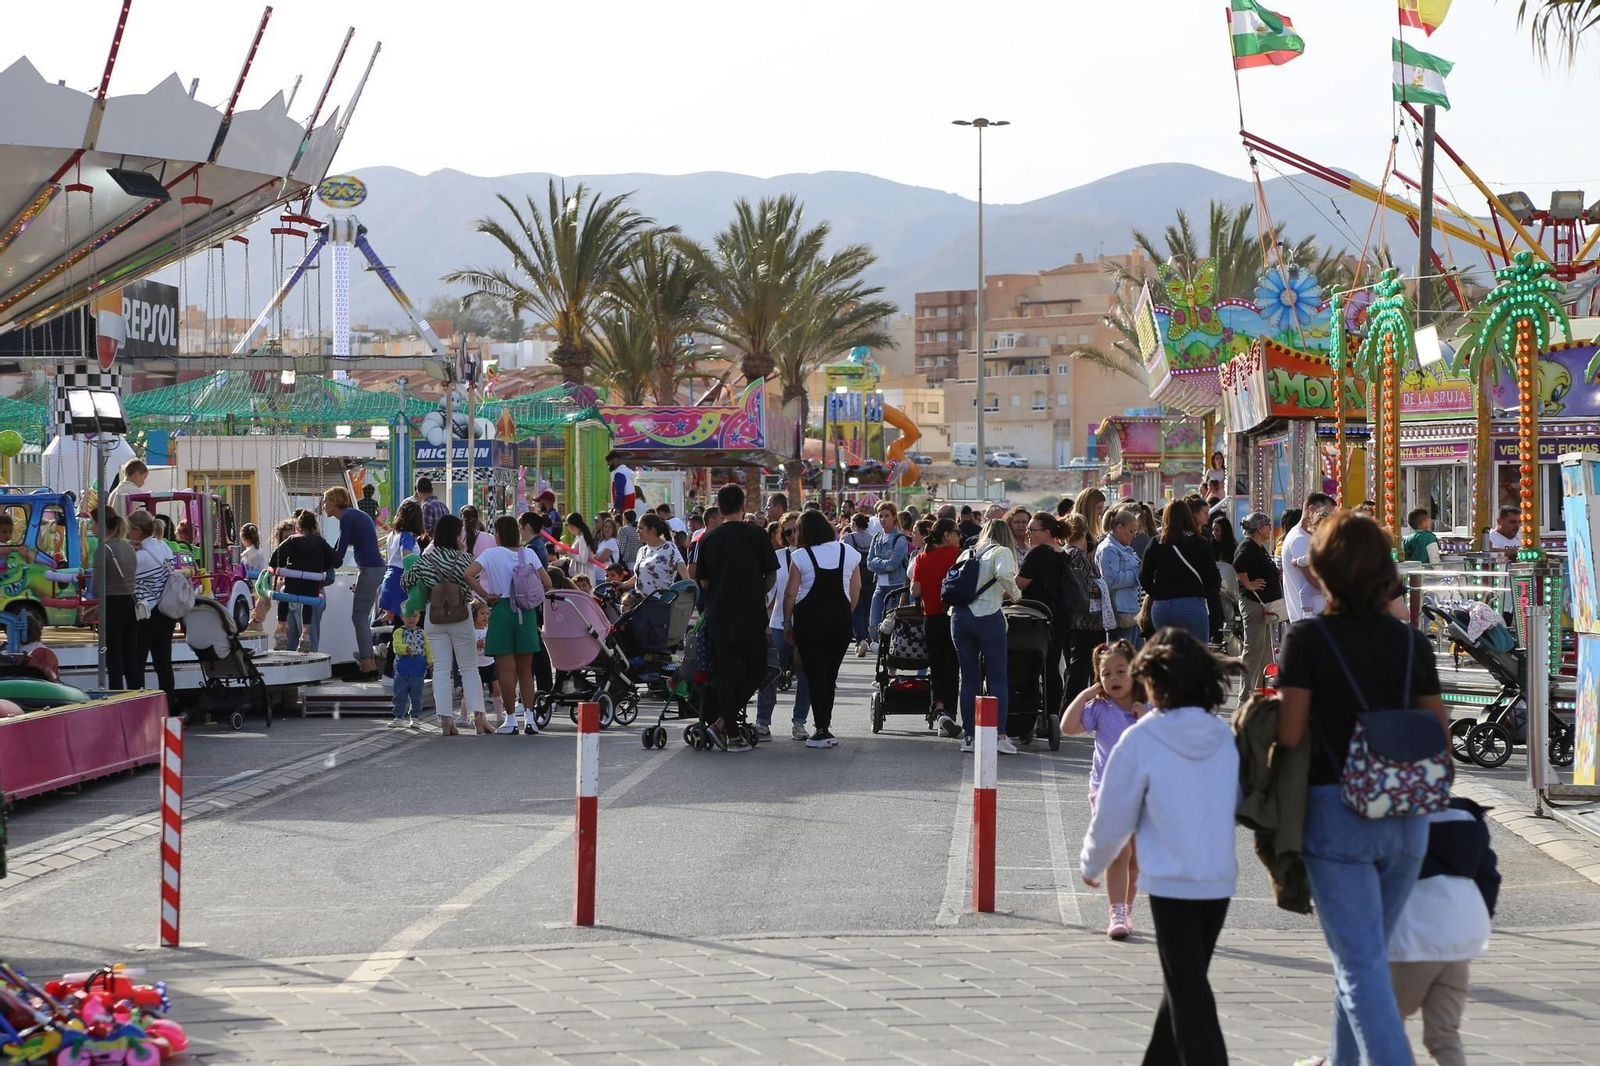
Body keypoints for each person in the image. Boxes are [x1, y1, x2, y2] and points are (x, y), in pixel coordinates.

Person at [1275, 510, 1449, 1065]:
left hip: (1336, 811)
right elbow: (1439, 736)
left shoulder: (1308, 639)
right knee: (1366, 958)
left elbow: (1290, 733)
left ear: (1320, 570)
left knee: (1359, 963)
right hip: (1407, 815)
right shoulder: (1411, 643)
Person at [1079, 628, 1239, 1064]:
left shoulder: (1142, 737)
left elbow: (1113, 812)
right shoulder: (1221, 733)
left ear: (1153, 681)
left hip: (1172, 884)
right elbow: (1237, 797)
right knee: (1184, 981)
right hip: (1219, 880)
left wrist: (1092, 863)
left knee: (1188, 992)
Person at [1388, 799, 1499, 1066]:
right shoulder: (1468, 818)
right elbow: (1489, 877)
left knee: (1386, 1022)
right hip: (1462, 933)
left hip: (1413, 932)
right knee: (1444, 1034)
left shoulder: (1395, 812)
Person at [1061, 639, 1146, 939]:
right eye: (1106, 674)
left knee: (1136, 859)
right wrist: (1085, 694)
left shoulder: (1148, 707)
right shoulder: (1099, 707)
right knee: (1119, 853)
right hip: (1107, 791)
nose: (1113, 679)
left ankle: (1127, 907)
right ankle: (1116, 912)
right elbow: (1067, 727)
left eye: (1121, 671)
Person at [694, 482, 779, 752]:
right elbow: (771, 574)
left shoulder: (709, 539)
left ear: (719, 509)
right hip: (752, 614)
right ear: (743, 506)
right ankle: (723, 725)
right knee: (757, 669)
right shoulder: (757, 534)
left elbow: (703, 580)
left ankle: (727, 729)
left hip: (720, 614)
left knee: (726, 673)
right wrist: (757, 589)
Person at [402, 514, 488, 736]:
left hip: (434, 617)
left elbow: (406, 581)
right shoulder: (466, 559)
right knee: (469, 668)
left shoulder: (426, 559)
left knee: (441, 669)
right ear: (456, 534)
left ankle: (445, 720)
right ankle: (479, 719)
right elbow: (475, 584)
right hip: (461, 616)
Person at [782, 510, 861, 748]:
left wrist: (787, 622)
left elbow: (791, 593)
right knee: (830, 675)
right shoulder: (848, 552)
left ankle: (821, 728)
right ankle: (824, 725)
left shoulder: (801, 556)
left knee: (815, 675)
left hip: (809, 622)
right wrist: (846, 612)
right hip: (840, 621)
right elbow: (856, 588)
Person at [951, 519, 1020, 754]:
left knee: (968, 679)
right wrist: (1016, 595)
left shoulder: (967, 553)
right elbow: (1005, 575)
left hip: (959, 617)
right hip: (988, 615)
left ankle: (970, 736)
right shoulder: (1001, 552)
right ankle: (999, 734)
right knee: (997, 678)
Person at [476, 514, 550, 736]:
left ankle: (510, 720)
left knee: (506, 670)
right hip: (525, 612)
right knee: (526, 671)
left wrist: (485, 596)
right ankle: (530, 719)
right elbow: (547, 582)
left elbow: (467, 574)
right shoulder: (528, 553)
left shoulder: (490, 554)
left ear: (498, 534)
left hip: (501, 611)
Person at [1138, 499, 1221, 643]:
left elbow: (1144, 577)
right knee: (1197, 652)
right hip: (1191, 603)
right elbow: (1213, 578)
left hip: (1162, 605)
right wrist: (1203, 594)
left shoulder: (1156, 543)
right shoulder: (1200, 542)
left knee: (1166, 652)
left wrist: (1157, 594)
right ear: (1189, 516)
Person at [324, 486, 385, 676]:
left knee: (359, 617)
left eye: (326, 501)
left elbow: (339, 554)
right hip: (371, 569)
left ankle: (367, 665)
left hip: (370, 569)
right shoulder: (352, 515)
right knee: (361, 617)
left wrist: (319, 557)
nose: (324, 506)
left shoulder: (347, 517)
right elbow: (338, 549)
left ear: (333, 502)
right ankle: (370, 663)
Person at [757, 513, 807, 740]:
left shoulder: (813, 556)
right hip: (778, 623)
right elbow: (768, 593)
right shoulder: (778, 557)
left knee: (805, 674)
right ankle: (763, 721)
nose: (793, 535)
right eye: (788, 532)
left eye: (797, 530)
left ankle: (799, 722)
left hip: (806, 624)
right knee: (770, 671)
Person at [910, 517, 962, 736]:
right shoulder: (958, 556)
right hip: (953, 616)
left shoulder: (922, 557)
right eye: (957, 532)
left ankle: (939, 710)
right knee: (953, 666)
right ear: (946, 535)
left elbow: (915, 590)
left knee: (937, 666)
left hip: (930, 618)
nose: (960, 536)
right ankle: (950, 712)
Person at [1016, 512, 1070, 719]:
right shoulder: (1062, 553)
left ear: (1046, 532)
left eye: (1032, 529)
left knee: (1033, 665)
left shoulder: (1037, 553)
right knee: (1052, 666)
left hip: (1037, 619)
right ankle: (1052, 713)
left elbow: (1020, 584)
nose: (1028, 533)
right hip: (1060, 617)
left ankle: (1032, 712)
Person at [268, 510, 339, 652]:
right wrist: (322, 563)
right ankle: (305, 635)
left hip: (292, 586)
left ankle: (281, 629)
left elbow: (274, 560)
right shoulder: (321, 543)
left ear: (298, 527)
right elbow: (337, 562)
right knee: (308, 600)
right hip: (311, 589)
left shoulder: (292, 541)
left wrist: (283, 565)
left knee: (284, 596)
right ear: (315, 527)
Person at [127, 509, 178, 705]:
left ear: (137, 531)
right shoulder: (163, 546)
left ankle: (138, 706)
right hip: (166, 610)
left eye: (129, 529)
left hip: (146, 613)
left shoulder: (140, 557)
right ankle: (168, 706)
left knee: (136, 662)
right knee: (164, 664)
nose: (127, 533)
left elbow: (126, 580)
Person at [1060, 513, 1112, 698]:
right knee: (1081, 669)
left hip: (1071, 619)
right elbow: (1088, 587)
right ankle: (1072, 705)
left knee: (1073, 666)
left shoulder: (1064, 552)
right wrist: (1102, 585)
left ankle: (1070, 704)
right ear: (1084, 532)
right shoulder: (1079, 555)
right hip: (1087, 620)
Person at [1234, 512, 1285, 696]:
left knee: (1263, 651)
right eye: (1268, 525)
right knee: (1254, 649)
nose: (1271, 529)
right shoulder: (1248, 546)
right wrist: (1248, 584)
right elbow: (1238, 564)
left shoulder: (1258, 546)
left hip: (1263, 605)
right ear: (1260, 528)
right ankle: (1245, 694)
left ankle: (1258, 692)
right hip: (1255, 604)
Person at [95, 513, 140, 690]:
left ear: (103, 527)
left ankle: (117, 695)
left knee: (114, 660)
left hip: (112, 606)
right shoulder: (129, 548)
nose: (91, 528)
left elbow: (96, 588)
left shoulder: (103, 549)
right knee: (131, 658)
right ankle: (137, 695)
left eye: (93, 523)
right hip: (130, 603)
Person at [1281, 492, 1335, 621]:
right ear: (1311, 509)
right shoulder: (1299, 539)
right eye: (1328, 513)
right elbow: (1314, 579)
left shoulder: (1312, 538)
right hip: (1309, 621)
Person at [865, 502, 910, 652]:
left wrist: (877, 561)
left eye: (887, 516)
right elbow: (869, 563)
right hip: (879, 586)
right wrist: (881, 562)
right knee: (873, 626)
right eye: (880, 516)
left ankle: (889, 657)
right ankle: (881, 651)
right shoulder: (877, 537)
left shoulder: (899, 539)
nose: (883, 519)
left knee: (890, 626)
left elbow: (893, 564)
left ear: (894, 517)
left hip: (895, 587)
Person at [1096, 506, 1143, 647]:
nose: (1134, 535)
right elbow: (1111, 580)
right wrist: (1137, 572)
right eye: (1131, 531)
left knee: (1135, 656)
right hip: (1120, 613)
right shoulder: (1109, 549)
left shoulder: (1125, 548)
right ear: (1119, 527)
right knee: (1121, 656)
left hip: (1132, 611)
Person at [378, 500, 424, 621]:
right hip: (401, 582)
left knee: (394, 626)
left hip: (389, 579)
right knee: (407, 624)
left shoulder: (392, 535)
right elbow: (407, 558)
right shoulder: (407, 536)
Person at [388, 610, 430, 729]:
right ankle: (398, 717)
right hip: (402, 670)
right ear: (402, 617)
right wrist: (405, 648)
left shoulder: (422, 633)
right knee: (399, 695)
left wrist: (431, 661)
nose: (411, 619)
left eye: (414, 616)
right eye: (408, 616)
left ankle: (415, 717)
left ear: (419, 617)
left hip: (418, 671)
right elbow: (396, 646)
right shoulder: (398, 632)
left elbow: (428, 649)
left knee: (417, 696)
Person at [845, 513, 875, 655]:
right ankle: (869, 637)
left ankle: (861, 639)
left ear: (854, 524)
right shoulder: (873, 538)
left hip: (855, 578)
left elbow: (846, 558)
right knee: (868, 610)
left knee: (856, 610)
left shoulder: (848, 538)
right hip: (871, 578)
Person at [472, 600, 499, 731]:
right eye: (482, 613)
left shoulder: (489, 630)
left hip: (490, 663)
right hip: (477, 666)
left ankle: (500, 714)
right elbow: (466, 649)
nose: (485, 616)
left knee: (496, 687)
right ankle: (466, 716)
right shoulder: (471, 632)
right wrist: (476, 645)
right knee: (475, 692)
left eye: (487, 614)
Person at [615, 509, 641, 580]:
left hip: (627, 564)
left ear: (625, 518)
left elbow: (621, 548)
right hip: (638, 562)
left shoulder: (623, 529)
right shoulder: (638, 529)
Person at [592, 515, 619, 583]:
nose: (607, 529)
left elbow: (601, 559)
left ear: (613, 530)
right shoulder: (603, 542)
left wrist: (593, 556)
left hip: (605, 578)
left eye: (609, 527)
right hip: (597, 577)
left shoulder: (612, 542)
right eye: (605, 527)